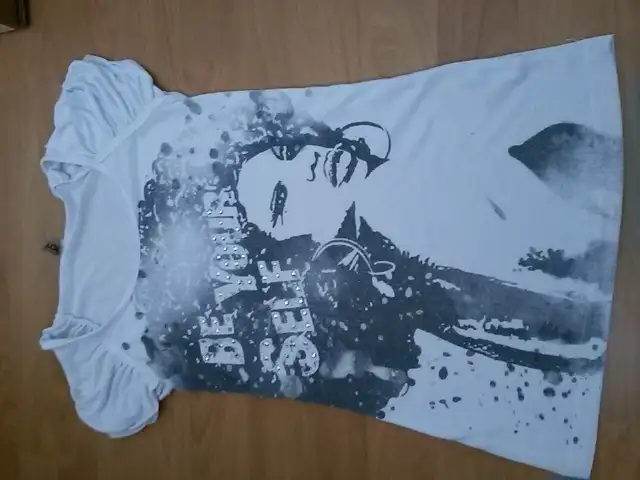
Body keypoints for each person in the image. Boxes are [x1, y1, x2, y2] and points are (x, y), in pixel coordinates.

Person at [136, 90, 610, 418]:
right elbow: (576, 336)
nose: (307, 165)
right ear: (310, 241)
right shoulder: (443, 293)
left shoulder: (502, 142)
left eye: (287, 155)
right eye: (283, 200)